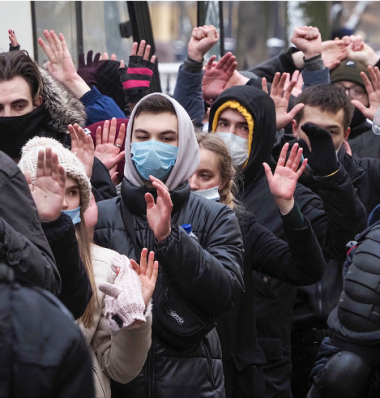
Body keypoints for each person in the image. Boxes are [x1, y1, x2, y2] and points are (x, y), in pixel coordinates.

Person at [208, 84, 361, 398]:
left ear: (261, 132)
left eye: (242, 127)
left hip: (263, 360)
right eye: (223, 124)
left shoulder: (289, 195)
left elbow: (342, 241)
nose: (230, 135)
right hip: (203, 354)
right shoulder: (193, 189)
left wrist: (330, 177)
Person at [94, 93, 244, 398]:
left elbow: (225, 294)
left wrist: (170, 239)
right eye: (143, 136)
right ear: (130, 143)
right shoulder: (101, 214)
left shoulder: (215, 217)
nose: (152, 146)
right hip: (119, 383)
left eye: (166, 138)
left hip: (192, 384)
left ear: (185, 145)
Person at [190, 132, 325, 398]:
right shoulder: (152, 225)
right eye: (186, 173)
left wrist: (287, 206)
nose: (193, 184)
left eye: (205, 175)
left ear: (223, 183)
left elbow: (306, 269)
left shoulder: (241, 228)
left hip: (233, 376)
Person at [19, 136, 156, 398]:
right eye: (45, 188)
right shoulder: (9, 254)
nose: (61, 199)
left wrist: (133, 321)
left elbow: (119, 369)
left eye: (72, 192)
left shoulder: (109, 265)